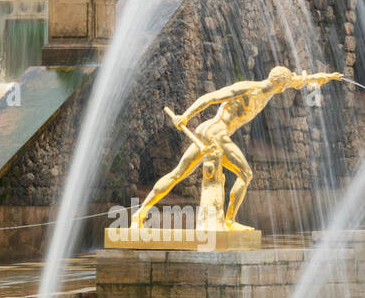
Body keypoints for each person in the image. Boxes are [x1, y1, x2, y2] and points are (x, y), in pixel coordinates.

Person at [133, 67, 342, 230]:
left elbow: (300, 80)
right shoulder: (249, 88)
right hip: (216, 132)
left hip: (207, 131)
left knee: (178, 173)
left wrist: (328, 76)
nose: (288, 87)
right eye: (286, 84)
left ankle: (140, 214)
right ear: (281, 84)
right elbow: (210, 98)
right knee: (245, 173)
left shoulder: (273, 88)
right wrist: (186, 116)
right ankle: (229, 221)